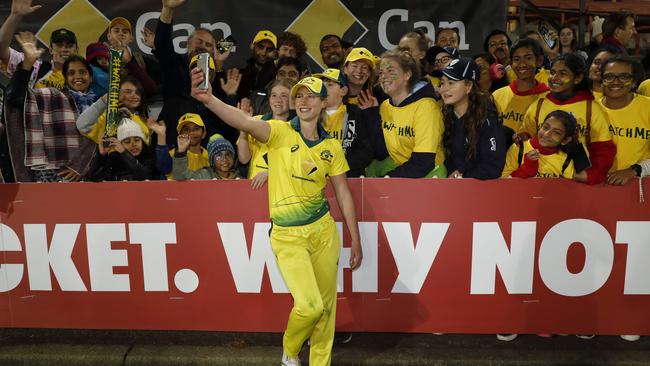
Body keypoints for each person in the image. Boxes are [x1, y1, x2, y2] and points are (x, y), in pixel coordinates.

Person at [190, 72, 362, 366]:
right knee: (309, 307)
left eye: (311, 96)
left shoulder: (331, 147)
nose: (304, 100)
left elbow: (343, 194)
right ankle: (290, 350)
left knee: (326, 310)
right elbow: (243, 121)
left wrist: (355, 239)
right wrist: (210, 99)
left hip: (323, 232)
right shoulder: (280, 132)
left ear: (323, 103)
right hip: (287, 235)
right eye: (300, 96)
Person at [5, 32, 96, 182]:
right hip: (49, 170)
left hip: (86, 173)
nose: (78, 77)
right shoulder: (51, 96)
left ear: (91, 77)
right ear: (65, 79)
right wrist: (27, 64)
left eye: (83, 72)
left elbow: (100, 141)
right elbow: (14, 98)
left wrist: (81, 165)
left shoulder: (98, 104)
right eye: (71, 73)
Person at [520, 53, 616, 185]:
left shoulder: (591, 108)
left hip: (576, 180)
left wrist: (592, 176)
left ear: (577, 78)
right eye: (552, 72)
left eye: (562, 73)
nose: (554, 78)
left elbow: (604, 149)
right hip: (539, 178)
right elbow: (526, 137)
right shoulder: (539, 104)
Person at [363, 49, 445, 178]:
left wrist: (389, 178)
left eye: (390, 71)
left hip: (429, 174)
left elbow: (424, 162)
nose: (383, 77)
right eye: (381, 72)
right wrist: (372, 114)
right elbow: (381, 152)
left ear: (407, 75)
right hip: (400, 166)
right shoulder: (385, 106)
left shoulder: (426, 107)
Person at [440, 58, 506, 179]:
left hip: (482, 191)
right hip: (455, 187)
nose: (444, 89)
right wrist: (452, 171)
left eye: (451, 83)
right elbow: (447, 156)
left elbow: (493, 166)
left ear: (468, 86)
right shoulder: (445, 115)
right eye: (442, 83)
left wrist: (464, 177)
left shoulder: (486, 119)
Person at [599, 55, 649, 190]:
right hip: (596, 187)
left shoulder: (647, 107)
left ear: (634, 82)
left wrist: (634, 171)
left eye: (624, 77)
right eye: (609, 77)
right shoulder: (589, 109)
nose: (615, 82)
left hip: (639, 187)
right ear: (602, 80)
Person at [313, 68, 374, 177]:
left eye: (330, 85)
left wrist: (338, 166)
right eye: (321, 85)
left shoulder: (355, 114)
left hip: (350, 178)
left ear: (343, 91)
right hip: (317, 179)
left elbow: (366, 152)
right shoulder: (311, 115)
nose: (323, 88)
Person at [237, 79, 294, 189]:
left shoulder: (297, 128)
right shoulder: (256, 121)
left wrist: (271, 172)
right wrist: (244, 125)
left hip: (284, 190)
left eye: (284, 96)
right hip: (256, 189)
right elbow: (244, 158)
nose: (278, 100)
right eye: (274, 95)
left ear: (292, 101)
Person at [503, 110, 586, 181]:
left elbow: (569, 188)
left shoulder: (566, 160)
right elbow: (503, 181)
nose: (547, 134)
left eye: (556, 132)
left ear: (565, 140)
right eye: (545, 127)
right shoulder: (519, 148)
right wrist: (527, 169)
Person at [492, 39, 550, 133]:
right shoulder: (497, 95)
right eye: (517, 59)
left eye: (528, 58)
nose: (522, 64)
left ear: (539, 61)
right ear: (511, 63)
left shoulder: (547, 98)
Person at [76, 76, 151, 147]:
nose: (134, 95)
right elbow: (82, 126)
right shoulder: (109, 117)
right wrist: (102, 102)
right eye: (128, 92)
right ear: (116, 94)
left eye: (137, 92)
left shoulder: (143, 120)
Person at [89, 118, 158, 181]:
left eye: (137, 140)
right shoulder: (114, 158)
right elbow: (95, 177)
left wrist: (124, 152)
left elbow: (145, 176)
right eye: (127, 142)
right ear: (120, 144)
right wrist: (101, 156)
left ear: (142, 142)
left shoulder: (149, 156)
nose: (133, 144)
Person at [152, 113, 209, 178]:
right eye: (186, 129)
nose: (191, 132)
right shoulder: (172, 154)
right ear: (180, 134)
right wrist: (161, 135)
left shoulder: (210, 156)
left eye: (196, 128)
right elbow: (163, 167)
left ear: (204, 133)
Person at [173, 133, 239, 180]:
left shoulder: (239, 179)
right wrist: (181, 151)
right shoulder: (203, 175)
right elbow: (180, 176)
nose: (224, 159)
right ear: (212, 160)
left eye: (228, 154)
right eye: (219, 155)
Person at [236, 30, 278, 101]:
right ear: (252, 46)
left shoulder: (277, 75)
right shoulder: (239, 69)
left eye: (269, 49)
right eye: (260, 47)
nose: (263, 53)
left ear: (274, 53)